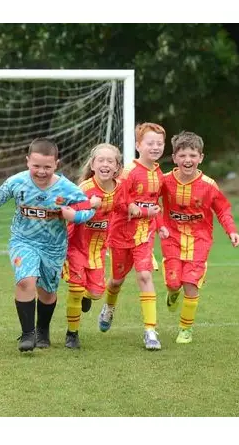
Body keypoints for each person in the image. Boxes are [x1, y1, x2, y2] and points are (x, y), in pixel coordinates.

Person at [0, 138, 98, 352]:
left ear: (56, 164)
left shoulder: (67, 188)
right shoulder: (17, 182)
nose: (41, 171)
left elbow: (88, 208)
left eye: (47, 166)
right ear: (27, 162)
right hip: (23, 241)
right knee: (26, 280)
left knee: (47, 292)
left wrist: (74, 215)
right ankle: (28, 335)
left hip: (53, 247)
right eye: (36, 166)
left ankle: (42, 330)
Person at [158, 131, 239, 344]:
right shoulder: (165, 181)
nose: (188, 160)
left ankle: (185, 329)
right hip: (172, 239)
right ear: (175, 158)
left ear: (201, 158)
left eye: (193, 155)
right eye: (183, 155)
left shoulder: (209, 185)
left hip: (199, 241)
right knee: (174, 283)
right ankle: (172, 292)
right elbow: (149, 200)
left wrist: (231, 230)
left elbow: (223, 209)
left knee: (191, 284)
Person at [98, 122, 166, 350]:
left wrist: (160, 224)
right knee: (117, 281)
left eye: (159, 143)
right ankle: (109, 307)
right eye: (150, 143)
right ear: (138, 145)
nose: (155, 147)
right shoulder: (128, 173)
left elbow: (156, 205)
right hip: (121, 234)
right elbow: (118, 202)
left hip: (144, 235)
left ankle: (150, 331)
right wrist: (142, 210)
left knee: (145, 276)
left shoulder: (158, 173)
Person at [61, 143, 122, 349]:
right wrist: (88, 206)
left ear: (117, 167)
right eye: (101, 160)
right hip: (76, 248)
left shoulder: (120, 189)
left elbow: (125, 207)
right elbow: (67, 212)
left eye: (110, 161)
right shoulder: (84, 190)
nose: (105, 164)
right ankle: (72, 334)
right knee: (75, 290)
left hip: (98, 251)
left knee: (96, 293)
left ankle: (89, 296)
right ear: (93, 165)